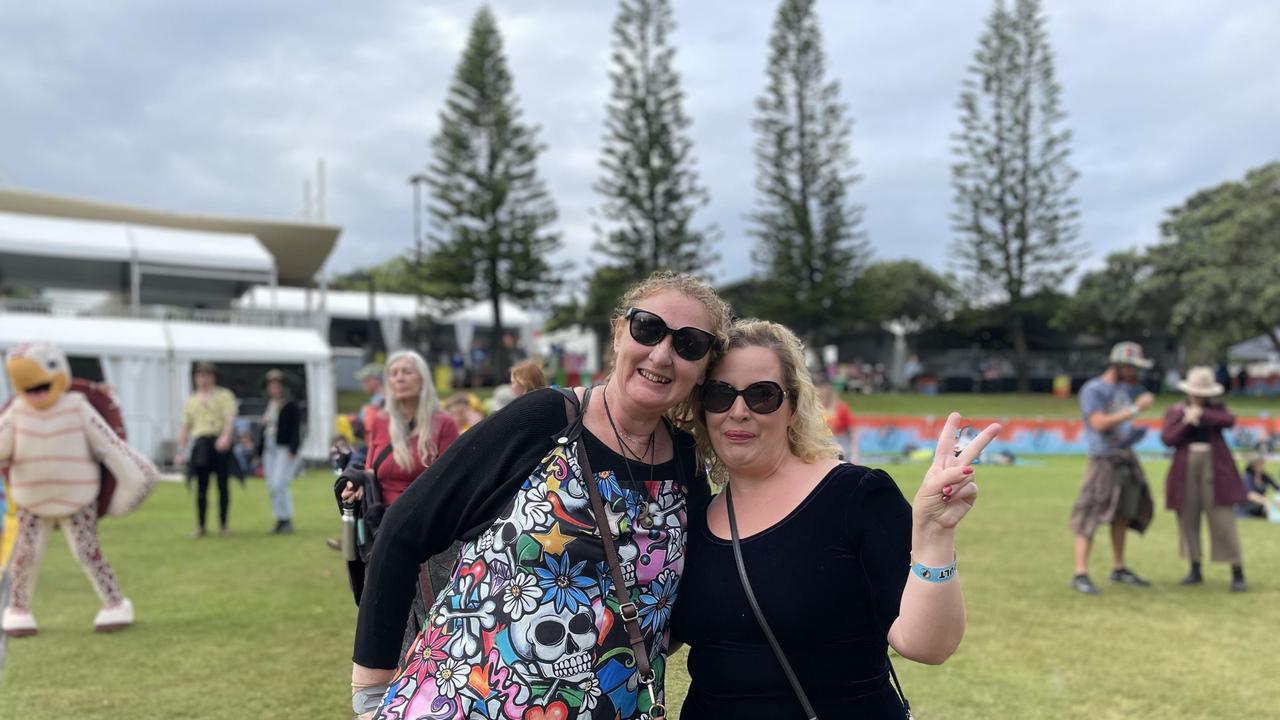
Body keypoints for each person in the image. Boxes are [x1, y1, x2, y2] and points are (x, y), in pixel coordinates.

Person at [343, 272, 729, 720]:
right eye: (648, 329)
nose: (662, 354)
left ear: (704, 367)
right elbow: (403, 531)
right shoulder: (544, 418)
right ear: (619, 332)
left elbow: (693, 594)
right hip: (465, 702)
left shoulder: (685, 462)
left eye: (689, 344)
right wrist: (370, 688)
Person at [672, 320, 1000, 718]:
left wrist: (935, 536)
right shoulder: (689, 516)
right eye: (720, 394)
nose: (738, 411)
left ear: (792, 407)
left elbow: (929, 646)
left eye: (762, 395)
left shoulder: (856, 495)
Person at [1068, 341, 1156, 595]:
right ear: (1121, 365)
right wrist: (1135, 409)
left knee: (1123, 514)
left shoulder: (1122, 389)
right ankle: (1080, 573)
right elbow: (1098, 423)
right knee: (1090, 512)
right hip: (1103, 460)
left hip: (1125, 457)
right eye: (1133, 368)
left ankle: (1118, 567)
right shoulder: (1093, 390)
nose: (1135, 373)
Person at [1160, 367, 1249, 591]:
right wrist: (1187, 421)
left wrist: (1202, 414)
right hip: (1186, 467)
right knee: (1188, 517)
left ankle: (1236, 570)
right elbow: (1168, 438)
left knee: (1223, 520)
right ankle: (1194, 566)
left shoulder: (1217, 410)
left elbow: (1228, 420)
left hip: (1215, 468)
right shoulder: (1176, 411)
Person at [176, 362, 238, 538]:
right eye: (200, 376)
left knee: (222, 486)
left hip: (218, 441)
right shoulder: (191, 400)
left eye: (206, 376)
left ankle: (223, 524)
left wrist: (226, 436)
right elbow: (185, 426)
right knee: (201, 487)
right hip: (201, 443)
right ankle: (201, 525)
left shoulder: (224, 396)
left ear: (213, 378)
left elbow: (230, 418)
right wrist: (181, 450)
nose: (203, 380)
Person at [257, 369, 304, 535]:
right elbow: (263, 430)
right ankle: (280, 518)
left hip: (284, 447)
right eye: (271, 385)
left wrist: (293, 448)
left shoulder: (289, 404)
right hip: (269, 447)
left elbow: (295, 428)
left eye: (277, 385)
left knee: (280, 483)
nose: (274, 388)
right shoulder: (268, 404)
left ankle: (287, 518)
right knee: (271, 485)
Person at [816, 377, 857, 462]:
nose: (820, 391)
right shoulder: (813, 408)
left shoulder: (841, 407)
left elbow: (850, 431)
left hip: (840, 445)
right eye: (818, 387)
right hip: (821, 447)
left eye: (823, 387)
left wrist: (854, 452)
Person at [1239, 454, 1280, 518]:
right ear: (1254, 465)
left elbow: (1277, 488)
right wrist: (1265, 501)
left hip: (1261, 504)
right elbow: (1250, 495)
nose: (1262, 465)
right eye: (1260, 463)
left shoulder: (1264, 476)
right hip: (1248, 505)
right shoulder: (1247, 477)